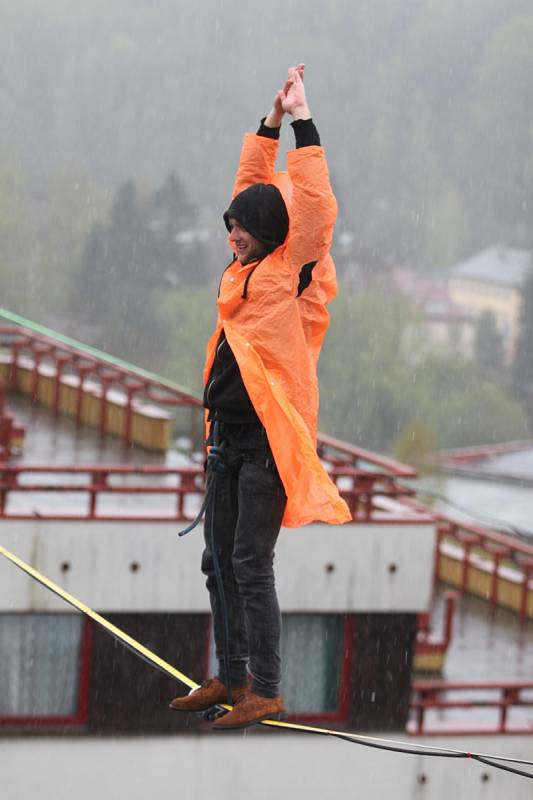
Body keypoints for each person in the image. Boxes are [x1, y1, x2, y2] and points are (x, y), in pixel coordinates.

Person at [170, 65, 351, 730]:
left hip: (270, 444)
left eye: (240, 228)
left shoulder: (294, 269)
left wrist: (303, 120)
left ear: (269, 234)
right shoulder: (243, 266)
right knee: (217, 559)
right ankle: (229, 675)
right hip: (228, 437)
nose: (232, 234)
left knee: (249, 560)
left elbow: (312, 205)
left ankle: (265, 687)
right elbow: (252, 187)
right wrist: (268, 121)